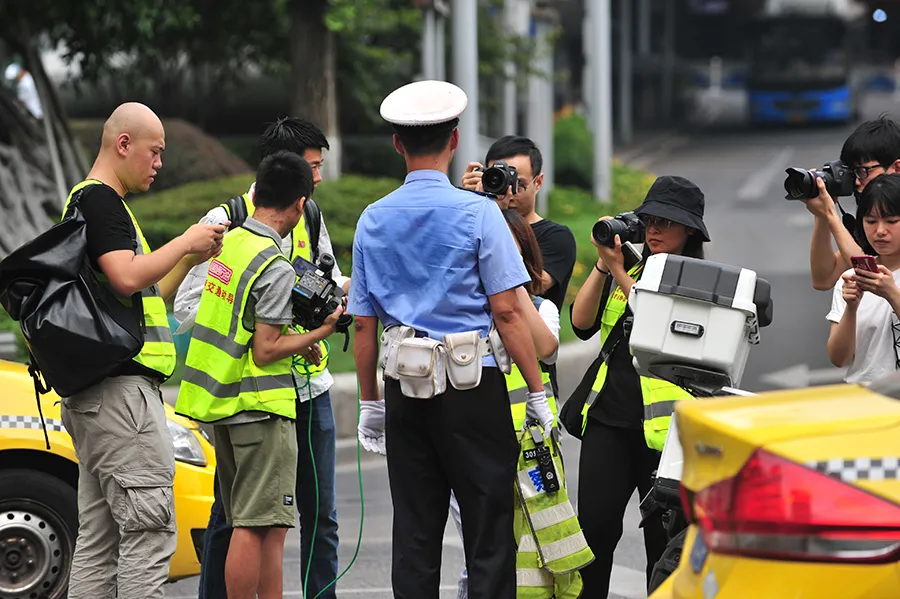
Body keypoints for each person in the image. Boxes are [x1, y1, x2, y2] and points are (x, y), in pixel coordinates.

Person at [349, 80, 555, 599]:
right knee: (489, 531)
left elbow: (364, 324)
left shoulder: (373, 218)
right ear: (455, 140)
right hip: (473, 389)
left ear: (397, 144)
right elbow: (508, 311)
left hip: (405, 390)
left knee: (415, 531)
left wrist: (371, 404)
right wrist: (536, 392)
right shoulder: (480, 212)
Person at [173, 117, 348, 599]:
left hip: (306, 388)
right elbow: (190, 307)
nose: (317, 180)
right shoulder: (226, 224)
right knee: (240, 521)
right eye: (311, 168)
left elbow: (324, 281)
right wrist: (276, 317)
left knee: (311, 518)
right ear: (285, 170)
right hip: (254, 397)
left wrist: (330, 305)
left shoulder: (307, 217)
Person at [57, 102, 226, 599]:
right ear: (123, 144)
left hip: (96, 398)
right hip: (123, 401)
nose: (159, 164)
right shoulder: (103, 201)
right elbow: (128, 276)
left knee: (99, 540)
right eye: (155, 152)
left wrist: (190, 254)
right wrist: (183, 240)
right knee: (148, 533)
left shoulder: (82, 203)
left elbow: (146, 296)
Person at [567, 175, 710, 597]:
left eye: (667, 222)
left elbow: (657, 323)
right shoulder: (628, 266)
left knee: (661, 547)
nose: (654, 229)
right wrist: (602, 264)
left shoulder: (699, 281)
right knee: (593, 536)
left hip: (666, 435)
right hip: (608, 420)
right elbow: (580, 324)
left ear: (690, 231)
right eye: (649, 219)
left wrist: (618, 270)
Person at [448, 209, 592, 599]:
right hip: (481, 444)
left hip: (530, 449)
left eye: (507, 251)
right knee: (483, 545)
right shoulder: (469, 311)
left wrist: (514, 287)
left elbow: (546, 348)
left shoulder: (539, 307)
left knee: (536, 541)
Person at [461, 136, 577, 400]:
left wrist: (493, 216)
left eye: (519, 184)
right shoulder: (469, 225)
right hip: (472, 371)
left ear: (539, 182)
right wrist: (465, 200)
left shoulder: (556, 237)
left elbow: (527, 285)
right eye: (496, 178)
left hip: (530, 379)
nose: (507, 191)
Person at [806, 116, 900, 290]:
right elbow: (824, 279)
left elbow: (869, 269)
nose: (857, 181)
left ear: (897, 168)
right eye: (852, 172)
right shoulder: (871, 215)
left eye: (863, 171)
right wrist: (821, 215)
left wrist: (829, 213)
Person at [827, 173, 900, 384]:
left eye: (891, 221)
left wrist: (892, 294)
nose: (880, 231)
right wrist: (851, 307)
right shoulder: (851, 279)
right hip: (866, 402)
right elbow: (838, 358)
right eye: (870, 221)